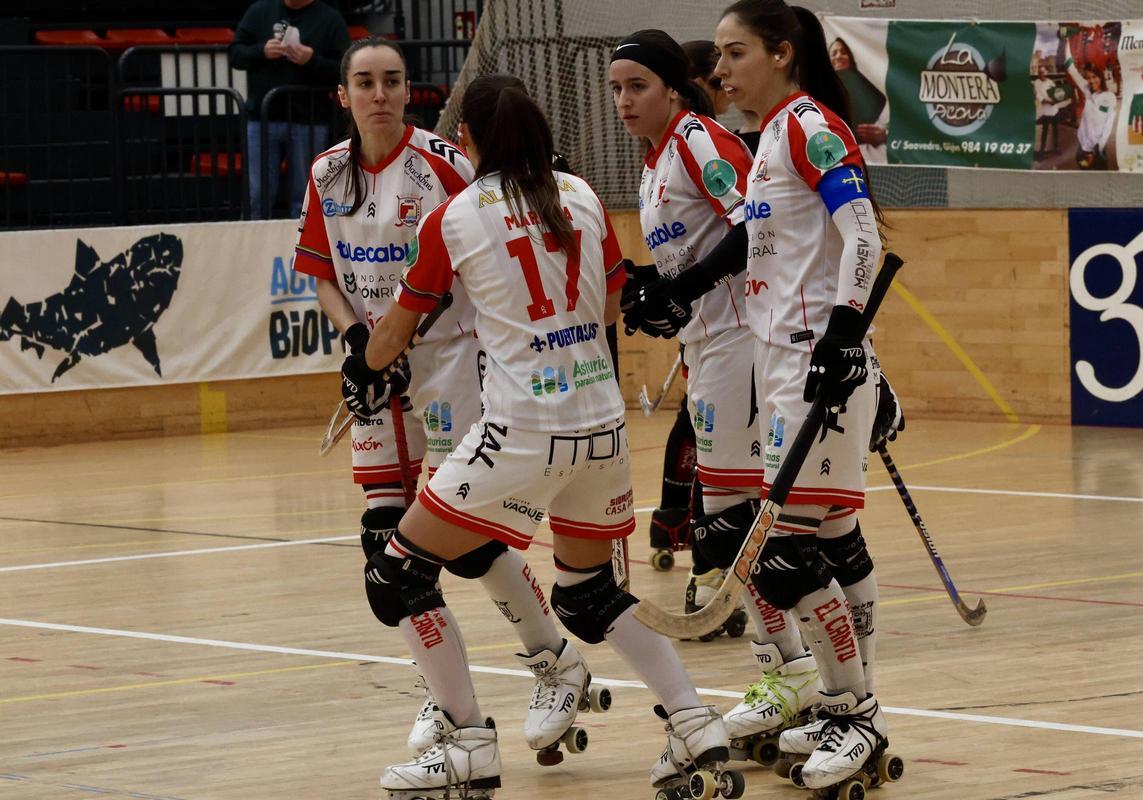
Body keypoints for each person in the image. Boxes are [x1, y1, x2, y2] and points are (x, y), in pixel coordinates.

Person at [340, 73, 736, 798]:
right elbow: (612, 301)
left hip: (522, 428)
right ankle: (694, 721)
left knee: (394, 572)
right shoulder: (581, 196)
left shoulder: (455, 216)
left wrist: (360, 369)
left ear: (468, 142)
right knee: (589, 595)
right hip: (601, 426)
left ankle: (466, 742)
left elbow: (392, 333)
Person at [292, 38, 593, 765]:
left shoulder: (444, 166)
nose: (380, 94)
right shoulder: (326, 172)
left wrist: (398, 342)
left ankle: (555, 662)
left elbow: (476, 258)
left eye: (392, 81)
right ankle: (454, 704)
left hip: (454, 361)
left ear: (407, 91)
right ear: (343, 95)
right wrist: (355, 349)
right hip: (376, 369)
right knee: (384, 551)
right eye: (364, 82)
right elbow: (322, 270)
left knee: (467, 545)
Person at [630, 1, 897, 790]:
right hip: (782, 365)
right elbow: (751, 247)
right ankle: (835, 703)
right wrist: (677, 290)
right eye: (717, 53)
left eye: (735, 52)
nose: (721, 70)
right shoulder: (772, 136)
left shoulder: (810, 126)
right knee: (824, 542)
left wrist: (849, 334)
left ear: (781, 54)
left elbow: (865, 236)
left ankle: (858, 712)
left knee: (783, 553)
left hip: (819, 363)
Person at [612, 30, 828, 761]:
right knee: (726, 524)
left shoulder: (700, 140)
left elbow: (753, 230)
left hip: (743, 337)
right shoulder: (655, 159)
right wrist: (654, 286)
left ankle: (802, 672)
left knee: (734, 523)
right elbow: (690, 250)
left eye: (637, 85)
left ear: (673, 87)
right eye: (615, 89)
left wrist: (685, 287)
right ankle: (786, 668)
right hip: (709, 346)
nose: (623, 101)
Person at [231, 0, 350, 219]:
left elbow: (344, 69)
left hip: (309, 120)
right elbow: (235, 53)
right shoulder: (260, 10)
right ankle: (252, 247)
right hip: (262, 118)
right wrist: (261, 51)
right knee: (257, 195)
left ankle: (303, 249)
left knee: (304, 195)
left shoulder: (330, 18)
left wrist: (311, 60)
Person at [828, 37, 888, 164]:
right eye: (834, 53)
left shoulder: (874, 92)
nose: (838, 56)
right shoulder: (820, 92)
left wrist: (884, 135)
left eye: (844, 52)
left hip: (870, 158)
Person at [1064, 56, 1117, 170]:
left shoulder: (1109, 97)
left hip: (1097, 150)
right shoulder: (1087, 90)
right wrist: (1066, 41)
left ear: (1101, 77)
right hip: (1082, 148)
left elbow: (1108, 125)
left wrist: (1099, 148)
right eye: (1088, 78)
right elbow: (1071, 69)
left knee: (1101, 182)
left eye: (1094, 76)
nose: (1092, 81)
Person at [1032, 64, 1068, 159]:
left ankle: (1055, 148)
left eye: (1043, 72)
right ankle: (1042, 151)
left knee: (1056, 130)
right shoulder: (1036, 83)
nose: (1041, 74)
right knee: (1045, 131)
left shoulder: (1051, 82)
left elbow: (1057, 93)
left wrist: (1057, 99)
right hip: (1046, 112)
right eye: (1039, 72)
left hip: (1054, 110)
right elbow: (1040, 97)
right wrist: (1050, 101)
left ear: (1047, 72)